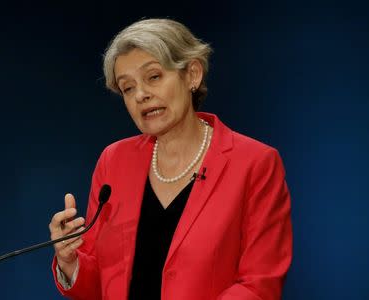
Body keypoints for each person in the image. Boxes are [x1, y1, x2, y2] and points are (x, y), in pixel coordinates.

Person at [48, 18, 292, 300]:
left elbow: (259, 285)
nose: (141, 95)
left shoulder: (255, 163)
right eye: (128, 88)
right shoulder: (114, 161)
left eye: (153, 77)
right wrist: (70, 262)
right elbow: (101, 282)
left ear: (192, 75)